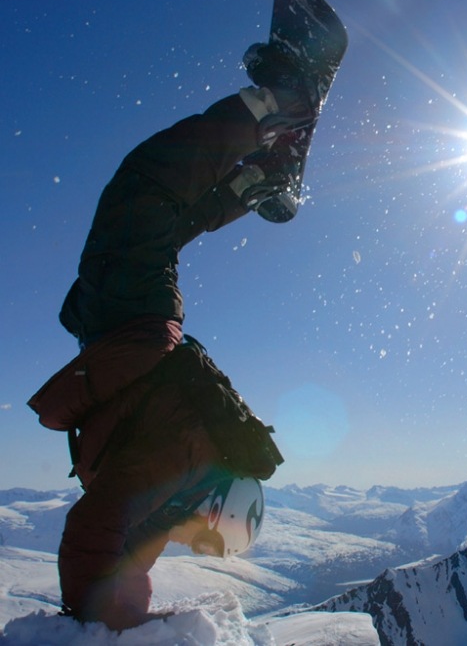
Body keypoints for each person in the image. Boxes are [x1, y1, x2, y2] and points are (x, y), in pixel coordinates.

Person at [27, 41, 314, 631]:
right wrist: (97, 623)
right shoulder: (180, 466)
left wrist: (120, 617)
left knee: (156, 216)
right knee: (143, 190)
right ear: (217, 510)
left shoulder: (177, 492)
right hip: (128, 323)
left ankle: (254, 174)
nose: (195, 547)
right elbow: (95, 530)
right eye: (208, 542)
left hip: (127, 326)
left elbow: (125, 549)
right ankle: (274, 108)